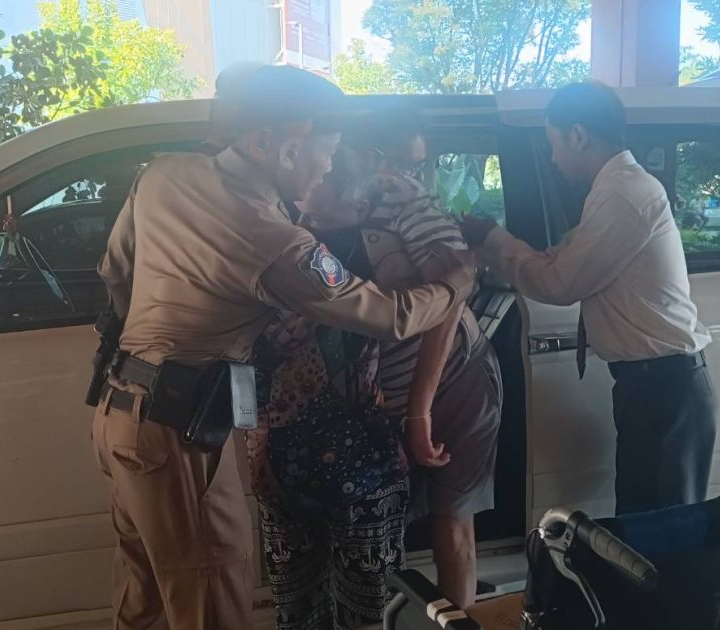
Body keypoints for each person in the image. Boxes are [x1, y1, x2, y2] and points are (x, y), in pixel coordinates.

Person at [92, 65, 476, 629]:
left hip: (122, 416)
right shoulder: (266, 233)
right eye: (324, 152)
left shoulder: (163, 174)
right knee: (212, 600)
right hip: (179, 435)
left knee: (144, 598)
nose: (327, 168)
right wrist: (453, 285)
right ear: (274, 145)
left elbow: (116, 273)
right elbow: (388, 316)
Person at [459, 82, 716, 516]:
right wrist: (494, 251)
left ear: (577, 135)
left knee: (661, 529)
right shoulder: (614, 189)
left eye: (554, 144)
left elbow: (560, 282)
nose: (553, 159)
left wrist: (493, 237)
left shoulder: (622, 193)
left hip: (662, 387)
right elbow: (559, 259)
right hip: (652, 385)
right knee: (644, 519)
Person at [246, 142, 412, 629]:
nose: (306, 225)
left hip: (361, 459)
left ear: (358, 208)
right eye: (302, 212)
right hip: (285, 461)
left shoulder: (371, 258)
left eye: (318, 217)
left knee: (370, 608)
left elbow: (405, 309)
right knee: (299, 608)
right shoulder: (282, 252)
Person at [348, 116, 503, 608]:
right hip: (384, 394)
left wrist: (419, 409)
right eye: (400, 163)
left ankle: (457, 617)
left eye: (419, 166)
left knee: (451, 521)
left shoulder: (406, 200)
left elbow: (454, 290)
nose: (410, 176)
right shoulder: (329, 201)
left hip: (452, 380)